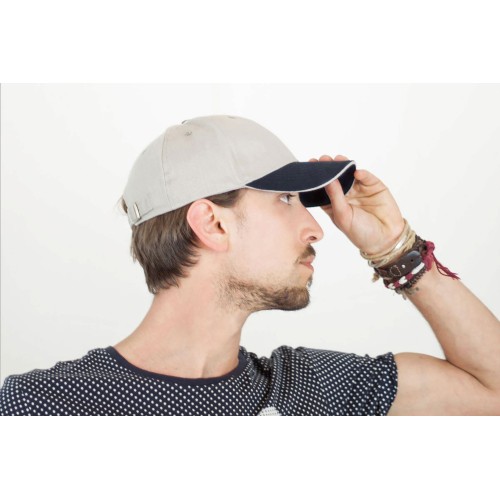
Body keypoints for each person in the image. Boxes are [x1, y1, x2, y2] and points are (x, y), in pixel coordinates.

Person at [1, 114, 499, 416]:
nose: (317, 229)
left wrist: (396, 249)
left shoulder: (306, 390)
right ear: (213, 224)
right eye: (285, 199)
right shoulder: (40, 407)